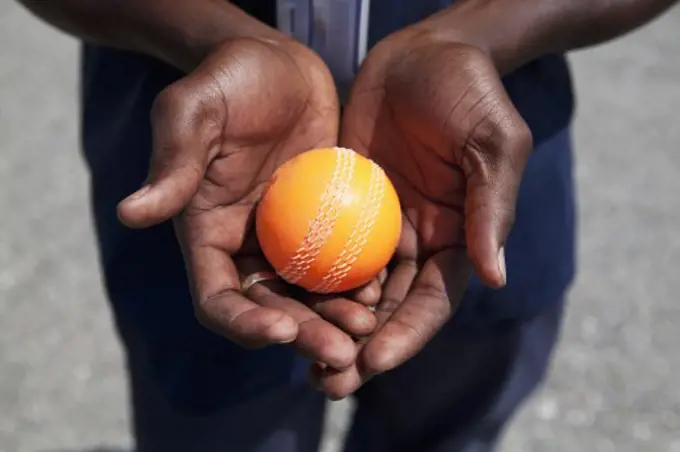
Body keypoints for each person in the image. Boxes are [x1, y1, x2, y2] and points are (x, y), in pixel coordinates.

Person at [17, 1, 676, 451]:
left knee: (450, 427)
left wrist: (472, 36)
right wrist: (212, 36)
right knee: (214, 428)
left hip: (466, 182)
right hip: (210, 178)